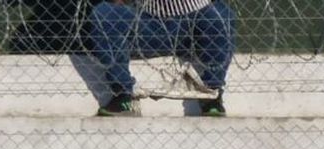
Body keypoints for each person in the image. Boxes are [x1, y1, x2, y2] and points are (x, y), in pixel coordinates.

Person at [88, 0, 234, 117]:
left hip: (194, 22)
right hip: (147, 21)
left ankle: (211, 93)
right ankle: (123, 95)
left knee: (222, 14)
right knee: (105, 13)